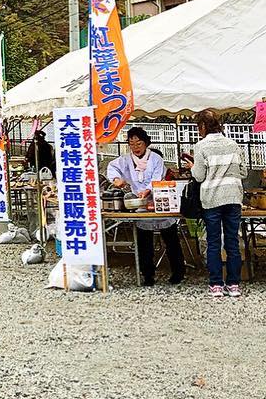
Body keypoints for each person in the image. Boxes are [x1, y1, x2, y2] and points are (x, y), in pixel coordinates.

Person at [106, 127, 185, 286]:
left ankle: (178, 272)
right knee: (144, 241)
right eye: (132, 143)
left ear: (146, 143)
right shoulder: (126, 159)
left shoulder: (156, 158)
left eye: (139, 143)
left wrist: (148, 189)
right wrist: (116, 180)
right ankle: (147, 274)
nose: (136, 147)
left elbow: (157, 177)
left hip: (159, 201)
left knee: (170, 237)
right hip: (139, 205)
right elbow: (112, 167)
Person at [186, 109, 248, 298]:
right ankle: (234, 285)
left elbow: (198, 176)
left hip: (212, 198)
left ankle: (216, 285)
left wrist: (192, 167)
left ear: (203, 126)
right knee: (232, 242)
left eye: (198, 127)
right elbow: (244, 172)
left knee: (213, 242)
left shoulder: (201, 146)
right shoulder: (233, 144)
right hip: (233, 198)